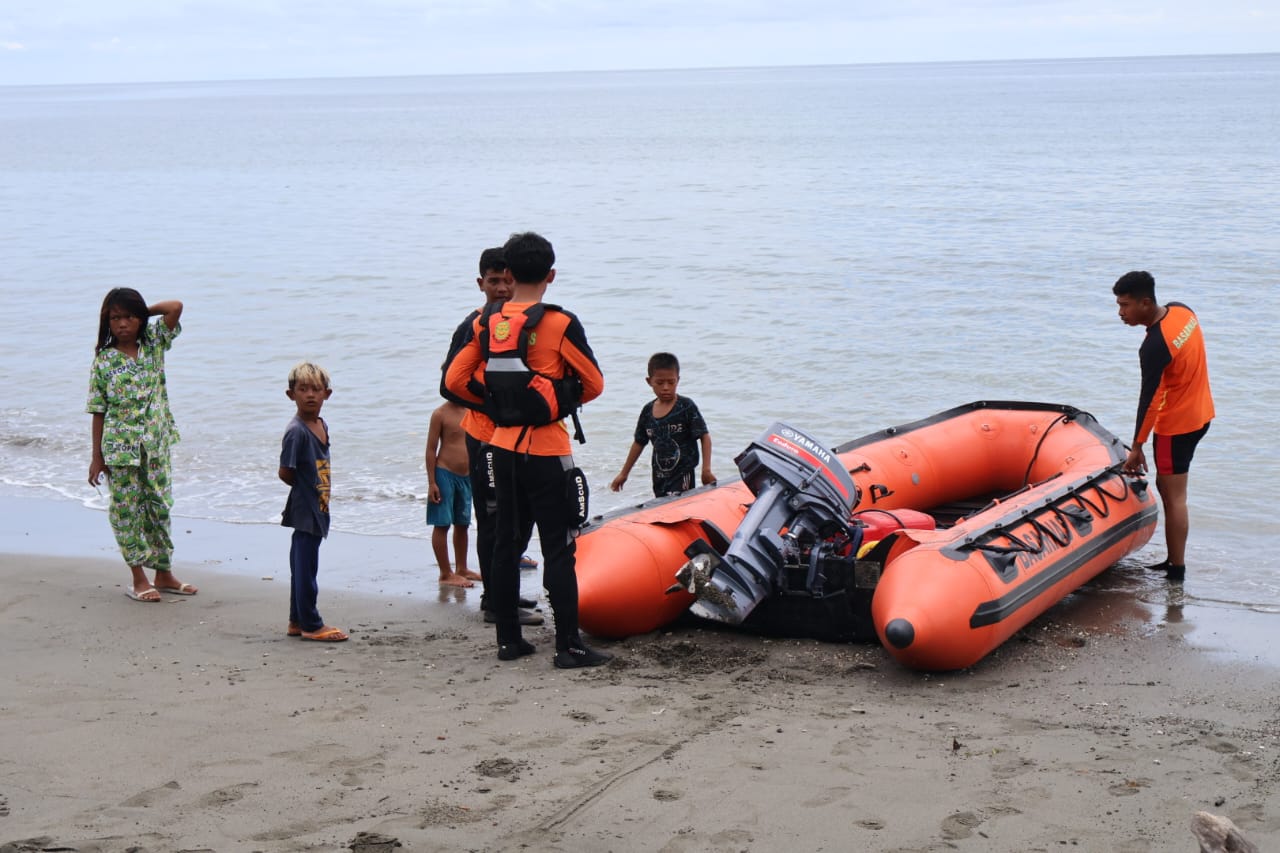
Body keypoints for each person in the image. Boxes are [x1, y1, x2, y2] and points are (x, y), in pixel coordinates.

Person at [445, 231, 610, 667]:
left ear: (510, 273)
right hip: (546, 449)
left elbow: (454, 382)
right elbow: (594, 384)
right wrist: (556, 397)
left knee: (504, 543)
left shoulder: (485, 322)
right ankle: (569, 646)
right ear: (552, 275)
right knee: (558, 547)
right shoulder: (559, 323)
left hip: (498, 448)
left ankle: (508, 641)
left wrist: (498, 407)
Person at [439, 247, 542, 625]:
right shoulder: (474, 325)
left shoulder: (526, 322)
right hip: (484, 437)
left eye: (507, 280)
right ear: (480, 283)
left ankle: (503, 594)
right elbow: (449, 385)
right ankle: (497, 605)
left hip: (520, 439)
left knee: (521, 515)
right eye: (493, 281)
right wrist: (493, 404)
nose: (501, 287)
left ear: (517, 280)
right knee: (495, 518)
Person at [86, 288, 198, 602]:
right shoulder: (104, 361)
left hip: (156, 444)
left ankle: (164, 573)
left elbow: (175, 306)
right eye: (115, 317)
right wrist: (96, 458)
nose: (122, 323)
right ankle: (138, 577)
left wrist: (141, 311)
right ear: (107, 322)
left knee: (160, 508)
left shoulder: (154, 344)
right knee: (126, 512)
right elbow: (98, 411)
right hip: (119, 449)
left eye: (129, 316)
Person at [1113, 270, 1215, 582]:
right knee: (1168, 490)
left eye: (1125, 305)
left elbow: (1149, 400)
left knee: (1174, 497)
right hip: (1202, 414)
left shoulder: (1154, 346)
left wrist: (1138, 447)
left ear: (1145, 303)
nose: (1121, 313)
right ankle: (1174, 558)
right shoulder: (1182, 311)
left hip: (1176, 427)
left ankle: (1176, 570)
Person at [278, 361, 347, 641]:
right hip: (305, 508)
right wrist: (306, 489)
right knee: (306, 568)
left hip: (318, 506)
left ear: (327, 394)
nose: (309, 395)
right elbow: (285, 471)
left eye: (316, 389)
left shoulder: (320, 424)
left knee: (304, 565)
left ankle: (297, 620)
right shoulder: (297, 431)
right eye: (302, 389)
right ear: (290, 394)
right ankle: (311, 623)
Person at [610, 352, 716, 497]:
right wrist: (624, 474)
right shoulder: (647, 411)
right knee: (662, 508)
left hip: (683, 474)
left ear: (678, 380)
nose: (666, 387)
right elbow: (639, 443)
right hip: (659, 476)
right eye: (660, 383)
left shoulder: (686, 406)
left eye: (671, 382)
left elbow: (704, 437)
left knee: (678, 506)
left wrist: (706, 470)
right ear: (649, 381)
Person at [425, 399, 482, 588]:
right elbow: (431, 449)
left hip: (467, 476)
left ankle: (462, 568)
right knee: (442, 524)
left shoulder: (472, 410)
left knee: (463, 524)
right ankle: (445, 573)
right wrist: (432, 482)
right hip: (444, 473)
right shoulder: (440, 414)